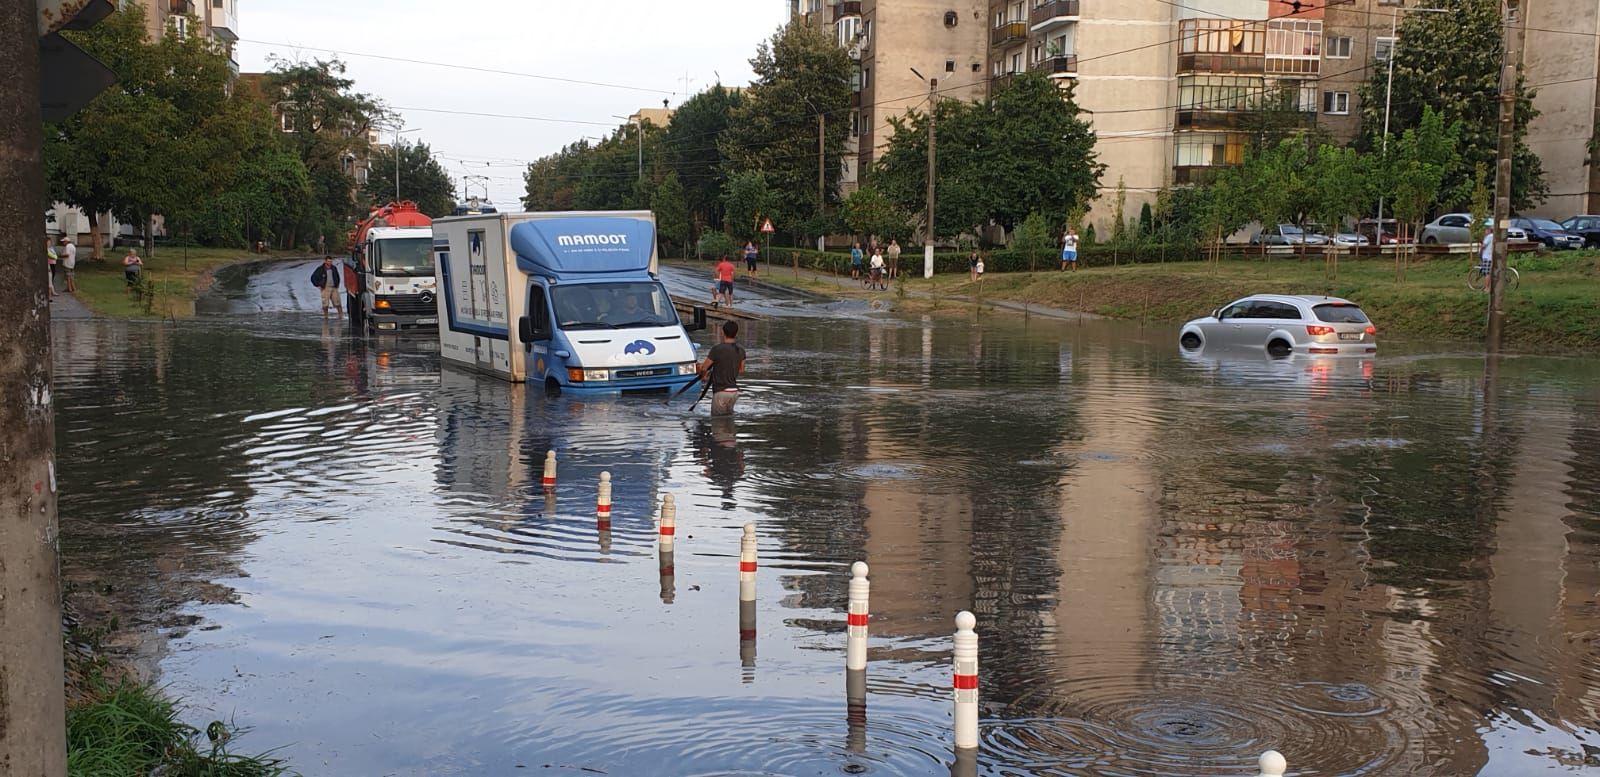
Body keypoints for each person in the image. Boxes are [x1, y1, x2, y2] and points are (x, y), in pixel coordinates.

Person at [697, 320, 747, 417]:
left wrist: (703, 376)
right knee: (729, 424)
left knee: (718, 422)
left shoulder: (717, 349)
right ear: (736, 333)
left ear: (723, 332)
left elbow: (704, 368)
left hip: (721, 392)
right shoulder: (741, 350)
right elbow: (741, 370)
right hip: (734, 392)